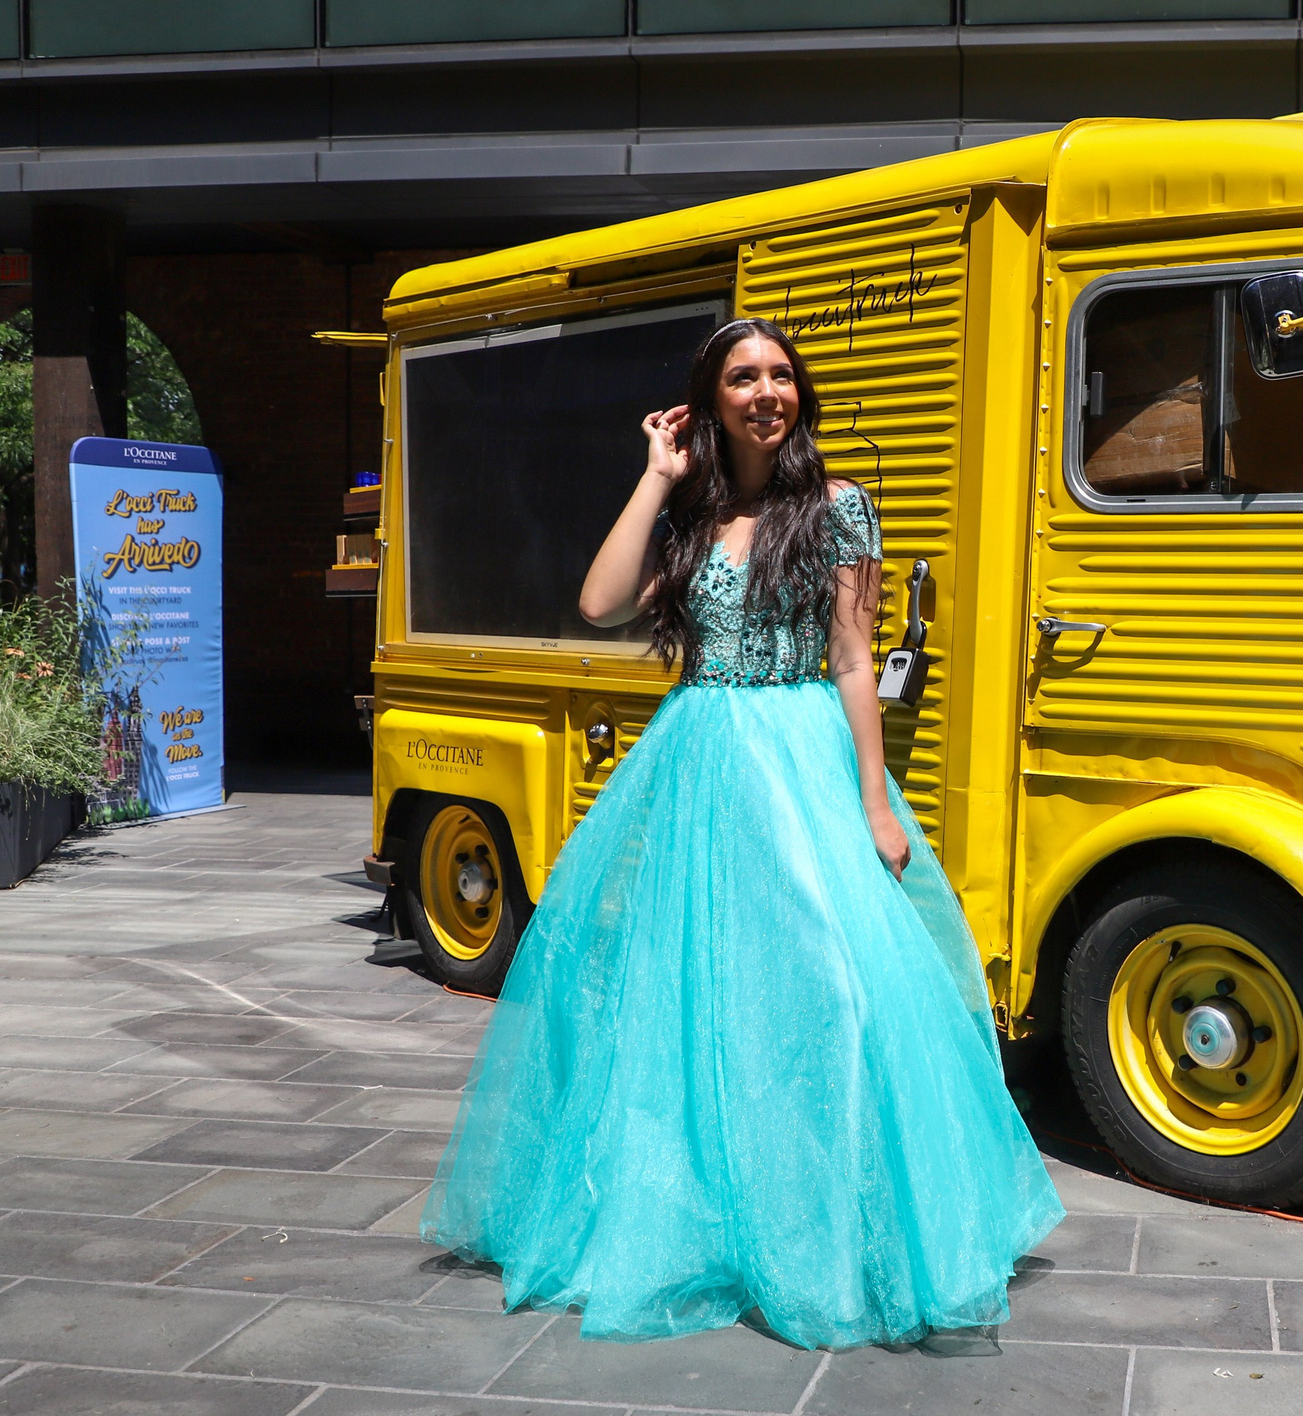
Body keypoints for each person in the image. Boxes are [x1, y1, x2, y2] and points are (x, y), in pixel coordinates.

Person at [421, 317, 1063, 1349]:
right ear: (709, 400)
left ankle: (840, 1224)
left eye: (779, 375)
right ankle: (709, 1213)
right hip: (701, 761)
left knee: (839, 986)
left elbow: (854, 659)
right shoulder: (686, 515)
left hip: (802, 754)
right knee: (692, 995)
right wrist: (655, 476)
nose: (766, 392)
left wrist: (873, 798)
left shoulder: (840, 508)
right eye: (742, 377)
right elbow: (596, 603)